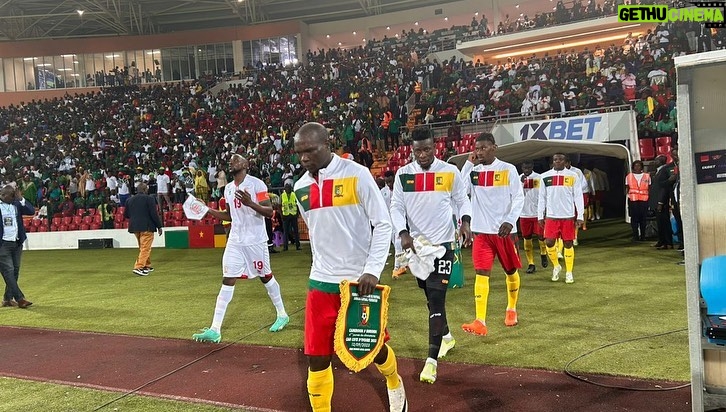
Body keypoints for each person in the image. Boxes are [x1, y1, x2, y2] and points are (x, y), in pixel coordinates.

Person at [293, 122, 407, 412]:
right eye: (299, 152)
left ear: (328, 144)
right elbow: (319, 234)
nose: (304, 158)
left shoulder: (357, 175)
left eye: (310, 150)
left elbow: (382, 224)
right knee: (316, 357)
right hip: (320, 283)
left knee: (375, 349)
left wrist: (371, 269)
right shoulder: (300, 187)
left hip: (358, 284)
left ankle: (394, 382)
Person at [390, 127, 472, 384]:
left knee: (436, 299)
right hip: (418, 249)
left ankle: (431, 362)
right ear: (412, 150)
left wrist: (465, 222)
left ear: (434, 147)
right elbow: (396, 206)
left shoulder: (449, 171)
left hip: (444, 246)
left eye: (427, 149)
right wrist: (403, 233)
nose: (422, 155)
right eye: (417, 151)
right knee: (429, 296)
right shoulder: (404, 175)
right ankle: (447, 337)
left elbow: (462, 200)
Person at [192, 154, 289, 344]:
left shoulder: (257, 185)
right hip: (235, 240)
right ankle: (215, 329)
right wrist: (208, 210)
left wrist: (250, 203)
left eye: (236, 160)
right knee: (228, 279)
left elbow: (270, 212)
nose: (231, 163)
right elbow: (229, 214)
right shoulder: (228, 188)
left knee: (265, 276)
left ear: (245, 165)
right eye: (230, 161)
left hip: (255, 240)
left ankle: (282, 314)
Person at [459, 133, 524, 337]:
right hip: (482, 233)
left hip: (504, 232)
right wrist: (468, 165)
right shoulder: (474, 172)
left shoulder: (507, 169)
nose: (479, 152)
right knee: (481, 273)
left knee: (511, 271)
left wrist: (510, 220)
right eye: (477, 149)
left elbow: (518, 198)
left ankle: (511, 308)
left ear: (494, 148)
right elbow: (460, 192)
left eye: (483, 148)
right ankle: (480, 320)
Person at [538, 153, 585, 284]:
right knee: (549, 242)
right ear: (552, 162)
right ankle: (556, 266)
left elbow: (578, 197)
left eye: (560, 159)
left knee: (568, 243)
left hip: (568, 216)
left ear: (566, 162)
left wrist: (580, 215)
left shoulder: (573, 176)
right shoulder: (545, 176)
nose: (557, 161)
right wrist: (540, 215)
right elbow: (542, 198)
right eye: (555, 160)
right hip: (551, 216)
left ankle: (569, 272)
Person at [0, 184, 35, 308]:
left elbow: (31, 211)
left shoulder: (16, 203)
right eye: (12, 196)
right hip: (2, 244)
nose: (13, 198)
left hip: (17, 242)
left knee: (15, 271)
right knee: (8, 271)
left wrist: (21, 199)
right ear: (3, 195)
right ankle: (20, 299)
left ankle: (7, 299)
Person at [124, 183, 163, 276]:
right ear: (145, 189)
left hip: (135, 227)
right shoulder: (149, 199)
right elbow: (154, 214)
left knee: (143, 247)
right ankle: (139, 267)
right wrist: (159, 226)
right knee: (145, 248)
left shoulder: (129, 200)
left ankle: (146, 265)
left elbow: (126, 215)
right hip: (147, 226)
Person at [519, 160, 548, 273]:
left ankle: (543, 253)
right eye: (525, 168)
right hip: (524, 214)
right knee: (527, 238)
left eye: (529, 167)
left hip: (537, 213)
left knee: (541, 237)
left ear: (532, 167)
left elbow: (544, 195)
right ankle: (531, 264)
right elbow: (515, 194)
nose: (526, 170)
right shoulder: (518, 178)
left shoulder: (539, 178)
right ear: (522, 167)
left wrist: (544, 210)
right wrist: (521, 183)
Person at [380, 170, 407, 278]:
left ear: (394, 179)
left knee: (397, 243)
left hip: (399, 220)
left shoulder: (400, 190)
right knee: (397, 244)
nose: (389, 184)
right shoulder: (383, 192)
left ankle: (396, 268)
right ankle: (404, 265)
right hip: (388, 221)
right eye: (387, 182)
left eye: (391, 181)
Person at [625, 160, 651, 242]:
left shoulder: (647, 176)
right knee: (634, 219)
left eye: (639, 166)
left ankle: (643, 236)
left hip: (644, 200)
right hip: (633, 200)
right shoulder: (629, 176)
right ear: (633, 167)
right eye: (635, 166)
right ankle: (635, 236)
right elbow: (627, 188)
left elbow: (649, 188)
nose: (637, 167)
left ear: (642, 167)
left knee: (643, 219)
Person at [280, 182, 301, 251]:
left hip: (293, 214)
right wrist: (281, 214)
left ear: (291, 188)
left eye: (289, 188)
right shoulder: (282, 195)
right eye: (286, 188)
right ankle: (285, 247)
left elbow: (297, 204)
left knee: (296, 231)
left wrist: (297, 213)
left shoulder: (294, 194)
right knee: (285, 232)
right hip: (285, 215)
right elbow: (279, 206)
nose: (288, 189)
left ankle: (298, 246)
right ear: (284, 189)